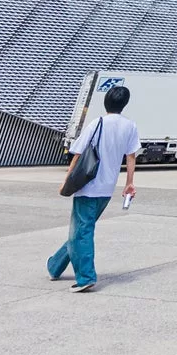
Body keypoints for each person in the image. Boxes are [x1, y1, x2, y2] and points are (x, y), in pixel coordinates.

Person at [47, 83, 139, 293]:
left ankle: (86, 277)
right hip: (107, 188)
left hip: (88, 185)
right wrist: (129, 183)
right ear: (124, 104)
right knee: (82, 230)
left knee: (82, 232)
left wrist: (67, 180)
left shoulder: (97, 123)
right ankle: (55, 265)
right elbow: (131, 156)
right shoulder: (130, 126)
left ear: (106, 102)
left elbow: (78, 153)